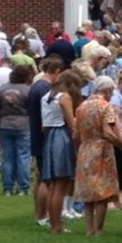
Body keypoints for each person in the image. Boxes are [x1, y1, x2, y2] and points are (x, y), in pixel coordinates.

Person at [73, 76, 122, 236]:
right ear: (107, 90)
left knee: (88, 193)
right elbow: (108, 132)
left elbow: (75, 134)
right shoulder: (105, 106)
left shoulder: (81, 107)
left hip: (85, 149)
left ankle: (89, 228)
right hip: (102, 150)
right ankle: (98, 229)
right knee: (102, 192)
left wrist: (81, 146)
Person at [41, 70, 83, 233]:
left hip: (50, 136)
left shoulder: (46, 97)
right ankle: (57, 225)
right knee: (61, 184)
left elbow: (44, 124)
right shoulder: (64, 97)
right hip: (62, 137)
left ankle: (54, 223)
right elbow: (71, 122)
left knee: (53, 185)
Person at [29, 57, 64, 227]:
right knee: (46, 179)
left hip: (36, 135)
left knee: (40, 177)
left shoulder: (36, 85)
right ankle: (43, 215)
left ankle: (40, 213)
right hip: (44, 136)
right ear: (56, 71)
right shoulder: (45, 88)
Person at [0, 64, 34, 196]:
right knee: (23, 156)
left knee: (7, 157)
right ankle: (24, 187)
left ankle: (7, 187)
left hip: (5, 123)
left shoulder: (3, 88)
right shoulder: (27, 90)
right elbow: (31, 109)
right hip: (23, 124)